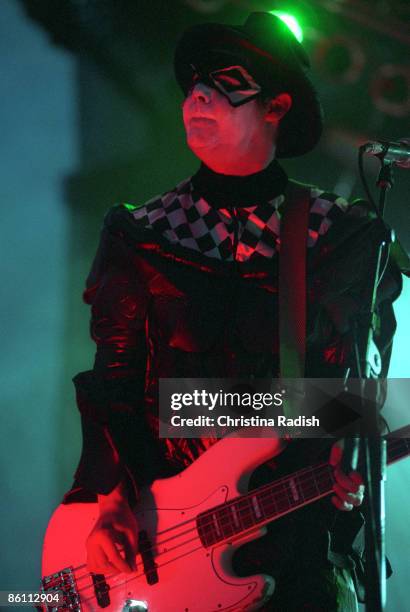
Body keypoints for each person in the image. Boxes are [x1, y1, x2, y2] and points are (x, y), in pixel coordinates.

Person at [65, 12, 402, 611]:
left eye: (226, 80)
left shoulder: (342, 236)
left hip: (297, 550)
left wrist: (349, 438)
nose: (198, 93)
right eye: (195, 80)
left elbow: (360, 392)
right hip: (160, 550)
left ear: (276, 106)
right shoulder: (140, 235)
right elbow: (112, 381)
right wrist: (108, 499)